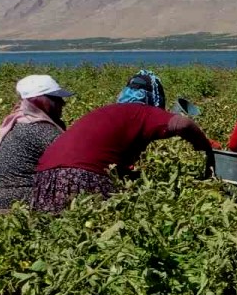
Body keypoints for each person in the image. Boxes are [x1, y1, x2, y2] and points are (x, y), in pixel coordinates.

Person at [31, 70, 215, 213]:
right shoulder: (142, 111)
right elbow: (183, 124)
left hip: (44, 181)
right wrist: (206, 148)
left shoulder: (110, 112)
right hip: (82, 177)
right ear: (155, 98)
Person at [0, 74, 74, 210]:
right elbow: (74, 161)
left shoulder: (16, 122)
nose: (62, 103)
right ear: (40, 101)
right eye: (56, 99)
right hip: (19, 200)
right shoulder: (40, 130)